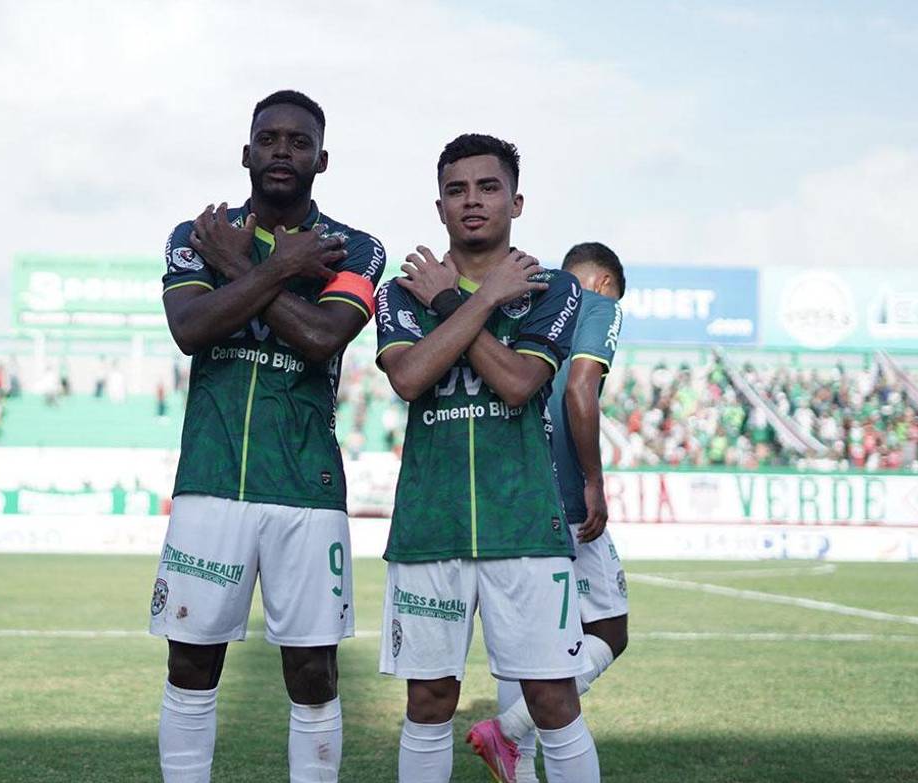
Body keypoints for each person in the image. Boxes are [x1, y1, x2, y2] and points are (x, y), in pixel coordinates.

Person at [148, 89, 386, 783]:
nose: (283, 150)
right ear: (246, 153)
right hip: (211, 479)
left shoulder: (355, 248)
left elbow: (321, 337)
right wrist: (281, 268)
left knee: (313, 669)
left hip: (306, 485)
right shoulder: (197, 232)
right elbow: (191, 328)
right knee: (191, 660)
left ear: (322, 160)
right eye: (269, 138)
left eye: (299, 141)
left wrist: (242, 268)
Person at [374, 133, 596, 783]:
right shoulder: (401, 291)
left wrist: (451, 303)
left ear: (516, 202)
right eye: (456, 190)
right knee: (428, 702)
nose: (472, 200)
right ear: (439, 207)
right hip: (430, 525)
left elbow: (521, 382)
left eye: (488, 187)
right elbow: (409, 376)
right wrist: (478, 300)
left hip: (524, 524)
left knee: (553, 702)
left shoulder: (552, 287)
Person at [468, 242, 627, 782]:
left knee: (524, 643)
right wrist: (594, 481)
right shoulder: (596, 304)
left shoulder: (525, 298)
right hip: (564, 497)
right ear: (604, 283)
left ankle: (515, 756)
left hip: (508, 494)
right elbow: (580, 389)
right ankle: (510, 729)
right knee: (611, 629)